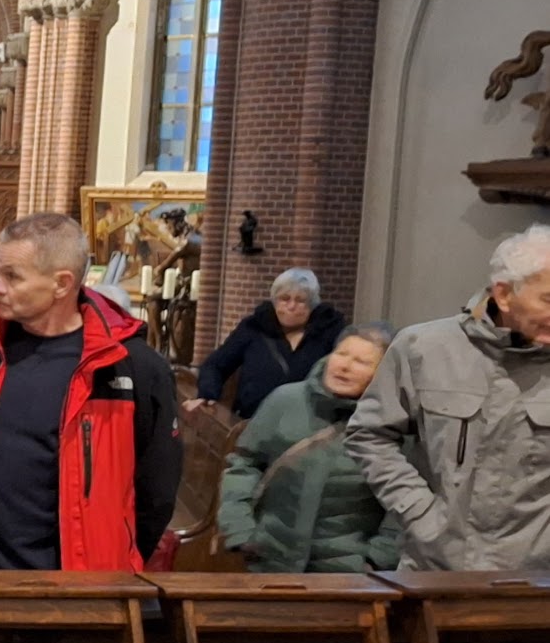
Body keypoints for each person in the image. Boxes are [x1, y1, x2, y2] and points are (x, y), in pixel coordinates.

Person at [0, 213, 183, 574]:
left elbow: (155, 493)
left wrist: (111, 563)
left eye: (12, 276)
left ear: (62, 284)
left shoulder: (130, 367)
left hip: (76, 586)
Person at [348, 224, 550, 571]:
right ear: (503, 294)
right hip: (434, 570)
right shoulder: (423, 348)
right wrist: (419, 512)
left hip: (535, 580)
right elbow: (369, 435)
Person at [219, 323, 401, 572]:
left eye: (361, 362)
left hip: (348, 571)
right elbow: (244, 465)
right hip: (270, 558)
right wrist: (241, 531)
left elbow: (404, 503)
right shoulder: (285, 400)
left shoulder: (395, 422)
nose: (345, 366)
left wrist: (377, 558)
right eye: (341, 354)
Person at [192, 268, 345, 419]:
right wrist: (207, 395)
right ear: (275, 301)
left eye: (300, 301)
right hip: (252, 421)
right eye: (285, 299)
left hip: (308, 423)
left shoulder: (329, 332)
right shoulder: (253, 328)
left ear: (312, 305)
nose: (291, 306)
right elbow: (215, 365)